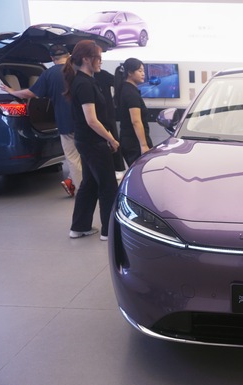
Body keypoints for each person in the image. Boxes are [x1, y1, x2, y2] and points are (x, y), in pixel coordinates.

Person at [0, 44, 81, 197]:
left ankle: (80, 191)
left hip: (65, 123)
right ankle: (77, 183)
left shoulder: (49, 74)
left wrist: (12, 91)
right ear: (69, 55)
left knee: (73, 158)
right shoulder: (77, 71)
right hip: (85, 121)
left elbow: (30, 93)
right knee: (84, 156)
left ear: (51, 58)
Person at [63, 40, 120, 241]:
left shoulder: (83, 81)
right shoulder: (84, 84)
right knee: (108, 185)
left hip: (85, 141)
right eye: (99, 58)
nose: (100, 62)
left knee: (89, 184)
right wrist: (111, 139)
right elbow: (92, 120)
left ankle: (79, 227)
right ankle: (108, 231)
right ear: (87, 59)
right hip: (93, 142)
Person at [114, 58, 153, 167]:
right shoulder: (130, 93)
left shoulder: (126, 89)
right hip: (135, 143)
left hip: (129, 141)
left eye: (143, 71)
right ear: (130, 73)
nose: (143, 74)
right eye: (139, 71)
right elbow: (136, 121)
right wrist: (144, 145)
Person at [94, 69, 126, 176]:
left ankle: (117, 168)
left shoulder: (101, 74)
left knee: (113, 141)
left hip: (106, 114)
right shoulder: (85, 79)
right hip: (99, 115)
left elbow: (116, 83)